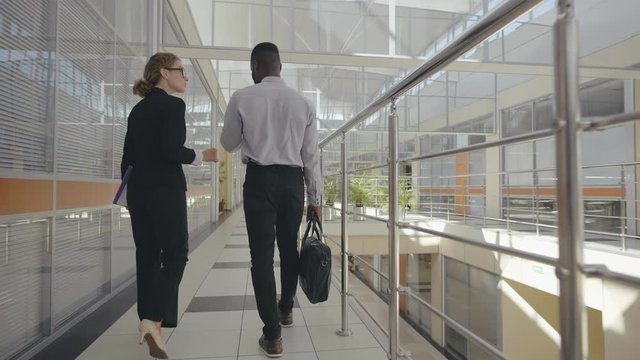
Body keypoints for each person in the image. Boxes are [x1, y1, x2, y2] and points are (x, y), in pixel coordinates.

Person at [221, 42, 322, 358]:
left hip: (260, 181)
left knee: (261, 257)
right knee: (288, 247)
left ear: (255, 67)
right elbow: (311, 156)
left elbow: (229, 144)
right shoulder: (303, 103)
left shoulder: (242, 97)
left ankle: (272, 335)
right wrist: (315, 197)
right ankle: (286, 308)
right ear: (280, 66)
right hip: (293, 182)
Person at [121, 52, 217, 359]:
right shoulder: (174, 105)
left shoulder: (137, 111)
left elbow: (126, 162)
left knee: (147, 256)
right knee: (176, 254)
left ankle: (151, 324)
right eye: (181, 71)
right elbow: (172, 149)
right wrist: (204, 155)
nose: (186, 77)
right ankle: (154, 320)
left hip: (138, 192)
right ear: (164, 72)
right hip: (165, 190)